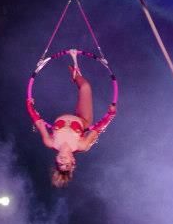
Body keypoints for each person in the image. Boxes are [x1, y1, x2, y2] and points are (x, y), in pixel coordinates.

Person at [26, 49, 117, 188]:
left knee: (78, 87)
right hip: (83, 120)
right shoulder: (82, 145)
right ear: (73, 161)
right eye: (66, 164)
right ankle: (76, 74)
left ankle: (75, 72)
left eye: (59, 164)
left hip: (69, 120)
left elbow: (38, 121)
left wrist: (29, 105)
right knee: (85, 87)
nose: (63, 161)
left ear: (56, 159)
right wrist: (110, 114)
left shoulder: (50, 142)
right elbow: (98, 129)